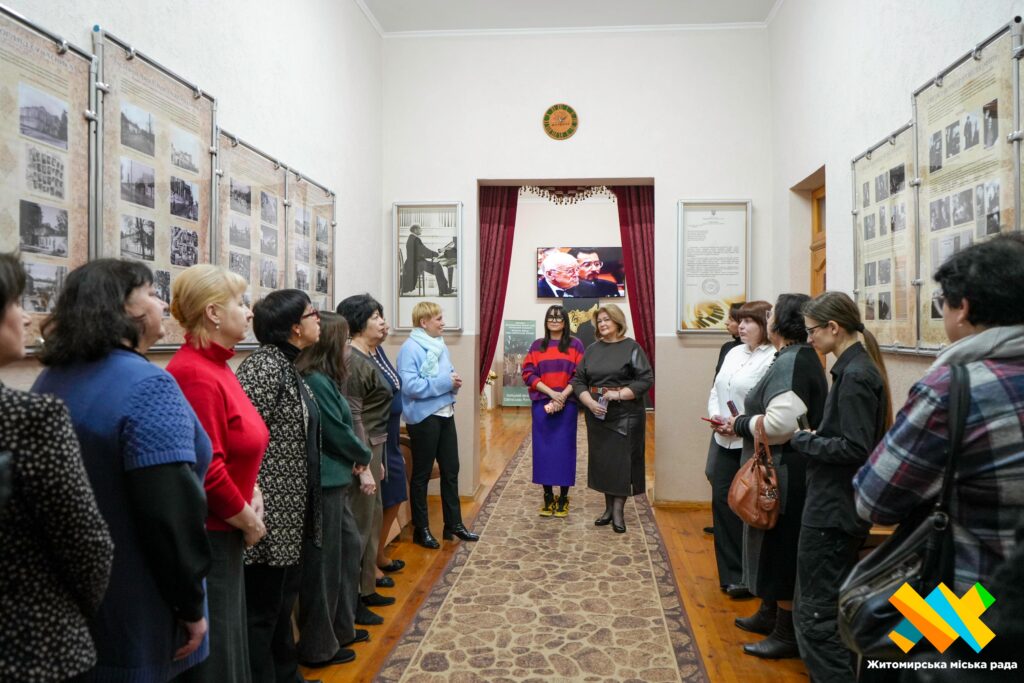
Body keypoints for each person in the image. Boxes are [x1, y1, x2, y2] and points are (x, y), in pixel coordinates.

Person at [32, 259, 212, 681]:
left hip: (73, 599)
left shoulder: (51, 378)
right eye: (152, 293)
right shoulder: (148, 386)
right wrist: (190, 606)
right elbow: (168, 513)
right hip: (143, 598)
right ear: (126, 308)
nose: (162, 304)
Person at [855, 234, 1024, 596]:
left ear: (962, 308)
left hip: (976, 600)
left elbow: (874, 501)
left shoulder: (954, 388)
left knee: (891, 626)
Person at [0, 253, 114, 682]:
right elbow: (86, 545)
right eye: (15, 303)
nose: (26, 317)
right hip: (35, 643)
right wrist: (68, 611)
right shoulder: (30, 417)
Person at [166, 264, 269, 683]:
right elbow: (207, 469)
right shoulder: (194, 373)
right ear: (212, 313)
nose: (249, 312)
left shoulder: (220, 366)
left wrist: (253, 488)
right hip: (213, 533)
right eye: (240, 303)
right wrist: (249, 522)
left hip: (229, 527)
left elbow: (237, 443)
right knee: (220, 659)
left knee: (231, 648)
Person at [789, 291, 892, 681]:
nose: (809, 338)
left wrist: (804, 441)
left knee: (816, 618)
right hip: (835, 504)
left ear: (833, 328)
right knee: (822, 610)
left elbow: (854, 447)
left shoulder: (856, 375)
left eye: (813, 330)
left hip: (833, 511)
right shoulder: (853, 369)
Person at [721, 293, 827, 660]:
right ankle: (769, 613)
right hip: (781, 466)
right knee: (768, 543)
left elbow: (781, 424)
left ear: (781, 323)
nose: (766, 321)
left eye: (770, 316)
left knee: (779, 548)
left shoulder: (793, 360)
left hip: (786, 469)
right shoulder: (792, 356)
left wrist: (740, 423)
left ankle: (786, 633)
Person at [235, 289, 322, 683]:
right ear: (294, 328)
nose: (318, 320)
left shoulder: (285, 364)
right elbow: (243, 440)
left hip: (289, 511)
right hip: (268, 511)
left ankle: (287, 675)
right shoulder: (264, 367)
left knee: (281, 604)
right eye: (312, 314)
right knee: (264, 612)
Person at [295, 312, 373, 668]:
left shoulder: (325, 378)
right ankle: (320, 645)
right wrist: (362, 455)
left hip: (336, 478)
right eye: (344, 342)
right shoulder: (315, 379)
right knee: (325, 567)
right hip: (325, 482)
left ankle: (342, 628)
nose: (348, 348)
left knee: (348, 550)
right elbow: (336, 430)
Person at [706, 300, 773, 598]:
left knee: (751, 506)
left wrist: (740, 424)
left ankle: (752, 574)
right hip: (723, 438)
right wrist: (716, 417)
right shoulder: (733, 352)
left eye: (748, 322)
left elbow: (768, 404)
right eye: (740, 321)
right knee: (723, 503)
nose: (741, 326)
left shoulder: (773, 356)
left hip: (751, 442)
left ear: (765, 325)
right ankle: (732, 574)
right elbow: (716, 389)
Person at [398, 301, 479, 548]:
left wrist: (454, 381)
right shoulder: (410, 348)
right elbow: (410, 387)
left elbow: (447, 375)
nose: (443, 323)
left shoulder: (439, 345)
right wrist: (446, 382)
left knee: (451, 469)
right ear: (424, 322)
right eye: (439, 319)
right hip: (424, 418)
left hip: (445, 413)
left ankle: (453, 524)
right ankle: (421, 529)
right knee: (421, 474)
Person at [336, 294, 397, 623]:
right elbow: (353, 416)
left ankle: (366, 587)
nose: (381, 322)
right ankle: (353, 600)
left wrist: (378, 455)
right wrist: (364, 464)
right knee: (359, 523)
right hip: (363, 448)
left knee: (372, 517)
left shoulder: (368, 356)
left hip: (374, 445)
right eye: (375, 316)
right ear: (358, 322)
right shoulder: (352, 359)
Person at [571, 303, 654, 533]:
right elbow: (578, 380)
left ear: (618, 321)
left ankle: (618, 511)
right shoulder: (592, 350)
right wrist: (589, 402)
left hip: (626, 414)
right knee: (605, 462)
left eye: (607, 319)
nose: (602, 324)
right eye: (599, 321)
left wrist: (618, 394)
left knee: (621, 463)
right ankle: (608, 509)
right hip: (597, 414)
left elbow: (645, 379)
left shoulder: (632, 347)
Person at [522, 304, 586, 516]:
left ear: (565, 322)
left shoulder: (576, 345)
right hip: (543, 405)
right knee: (544, 451)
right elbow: (528, 374)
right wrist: (552, 393)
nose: (554, 320)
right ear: (546, 320)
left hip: (567, 406)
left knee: (564, 451)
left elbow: (580, 374)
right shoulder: (537, 346)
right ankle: (548, 496)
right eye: (551, 317)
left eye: (559, 317)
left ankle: (564, 497)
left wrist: (562, 396)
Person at [368, 318, 409, 577]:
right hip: (376, 437)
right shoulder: (358, 358)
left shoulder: (379, 351)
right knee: (376, 502)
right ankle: (369, 563)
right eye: (375, 317)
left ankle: (378, 552)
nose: (383, 323)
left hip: (391, 437)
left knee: (395, 494)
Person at [704, 302, 746, 487]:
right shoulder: (728, 348)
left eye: (731, 319)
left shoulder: (766, 353)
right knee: (713, 472)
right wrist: (715, 414)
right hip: (722, 421)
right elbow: (716, 385)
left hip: (744, 425)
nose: (726, 323)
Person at [400, 224, 451, 295]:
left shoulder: (412, 238)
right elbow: (424, 251)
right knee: (437, 266)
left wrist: (433, 255)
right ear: (415, 230)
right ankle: (444, 289)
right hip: (417, 265)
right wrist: (436, 254)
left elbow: (422, 251)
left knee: (436, 266)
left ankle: (443, 289)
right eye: (420, 229)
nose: (421, 230)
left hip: (413, 264)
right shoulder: (415, 239)